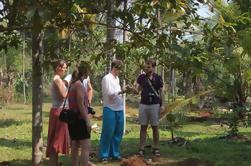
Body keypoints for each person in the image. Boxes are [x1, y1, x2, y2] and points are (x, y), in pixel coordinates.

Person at [130, 59, 164, 157]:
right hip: (143, 104)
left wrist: (163, 105)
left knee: (155, 127)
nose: (146, 68)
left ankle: (156, 148)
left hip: (155, 104)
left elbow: (161, 92)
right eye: (145, 67)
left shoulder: (158, 78)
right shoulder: (141, 77)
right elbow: (137, 90)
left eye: (148, 67)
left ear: (153, 67)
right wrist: (132, 89)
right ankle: (141, 148)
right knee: (143, 127)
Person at [99, 60, 127, 163]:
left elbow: (117, 94)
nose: (119, 71)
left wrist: (123, 91)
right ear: (114, 67)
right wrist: (122, 91)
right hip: (110, 108)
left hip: (119, 108)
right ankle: (104, 155)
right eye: (118, 68)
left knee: (118, 132)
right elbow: (109, 94)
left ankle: (114, 153)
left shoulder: (117, 79)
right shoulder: (107, 78)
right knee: (107, 132)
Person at [67, 61, 92, 166]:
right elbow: (81, 105)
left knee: (75, 145)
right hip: (79, 119)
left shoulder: (73, 84)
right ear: (85, 73)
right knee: (85, 146)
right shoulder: (79, 85)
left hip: (73, 119)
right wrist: (87, 121)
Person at [46, 59, 70, 166]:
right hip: (59, 112)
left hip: (58, 111)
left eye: (65, 68)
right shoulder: (57, 79)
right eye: (62, 67)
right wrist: (70, 86)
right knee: (56, 141)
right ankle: (53, 163)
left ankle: (54, 163)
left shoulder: (59, 79)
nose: (64, 69)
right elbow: (64, 95)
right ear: (57, 68)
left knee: (55, 141)